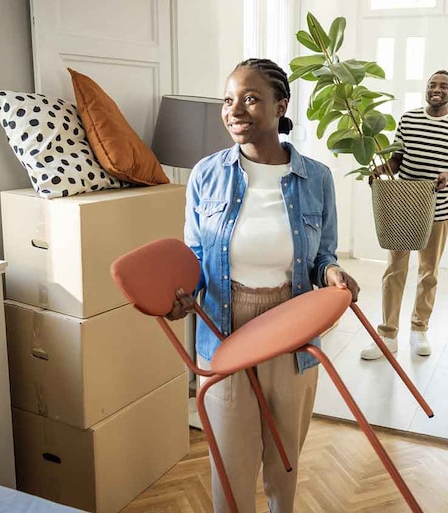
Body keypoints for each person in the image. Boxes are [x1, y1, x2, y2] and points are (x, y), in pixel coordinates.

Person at [167, 58, 360, 513]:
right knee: (230, 469)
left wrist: (331, 274)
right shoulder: (206, 175)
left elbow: (322, 257)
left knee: (284, 465)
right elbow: (194, 256)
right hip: (223, 332)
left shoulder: (317, 179)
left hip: (292, 332)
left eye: (251, 98)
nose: (235, 110)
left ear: (281, 106)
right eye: (229, 100)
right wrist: (180, 294)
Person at [361, 70, 448, 360]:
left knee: (429, 273)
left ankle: (419, 329)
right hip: (405, 208)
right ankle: (387, 334)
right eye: (432, 85)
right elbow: (397, 160)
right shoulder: (408, 119)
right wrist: (379, 169)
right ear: (426, 89)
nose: (437, 89)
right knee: (394, 270)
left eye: (444, 86)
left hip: (438, 210)